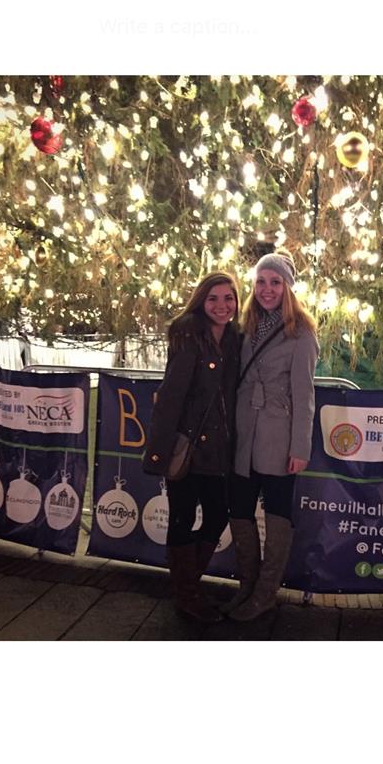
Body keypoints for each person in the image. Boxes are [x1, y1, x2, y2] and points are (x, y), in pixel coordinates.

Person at [225, 251, 319, 621]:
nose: (267, 289)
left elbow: (304, 394)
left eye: (275, 282)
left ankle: (265, 595)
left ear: (288, 287)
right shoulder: (246, 326)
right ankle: (247, 587)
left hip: (280, 438)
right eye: (261, 282)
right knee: (239, 511)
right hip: (244, 434)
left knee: (277, 515)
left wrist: (300, 447)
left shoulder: (302, 332)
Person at [143, 272, 240, 622]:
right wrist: (158, 451)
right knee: (182, 519)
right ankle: (187, 594)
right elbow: (170, 395)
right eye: (213, 298)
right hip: (186, 446)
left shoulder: (235, 338)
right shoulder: (188, 334)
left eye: (228, 298)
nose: (221, 306)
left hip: (220, 450)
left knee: (217, 515)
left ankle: (189, 586)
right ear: (202, 300)